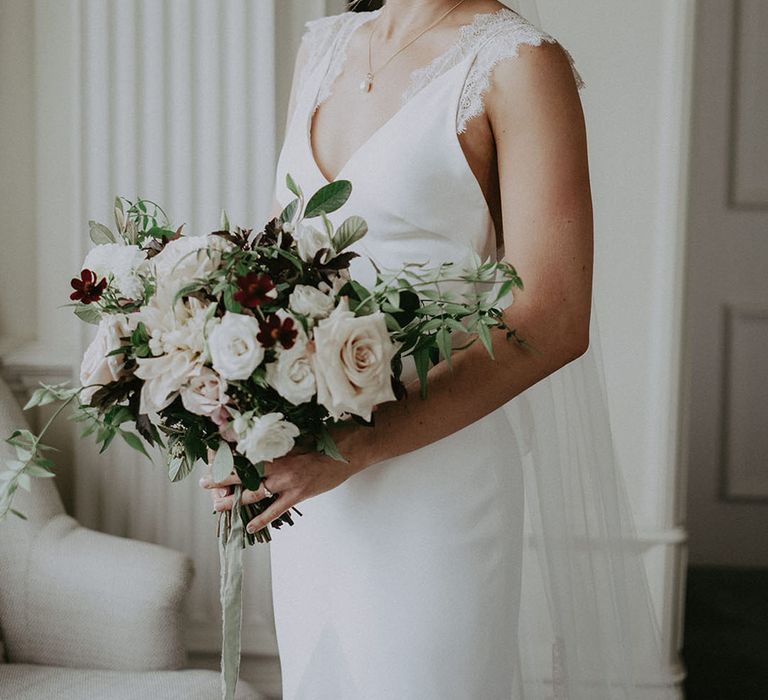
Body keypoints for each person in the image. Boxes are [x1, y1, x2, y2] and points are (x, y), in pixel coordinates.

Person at [200, 1, 676, 698]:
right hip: (315, 491)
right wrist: (244, 405)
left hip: (436, 482)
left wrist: (351, 448)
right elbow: (286, 261)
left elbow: (555, 317)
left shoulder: (519, 63)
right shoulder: (324, 46)